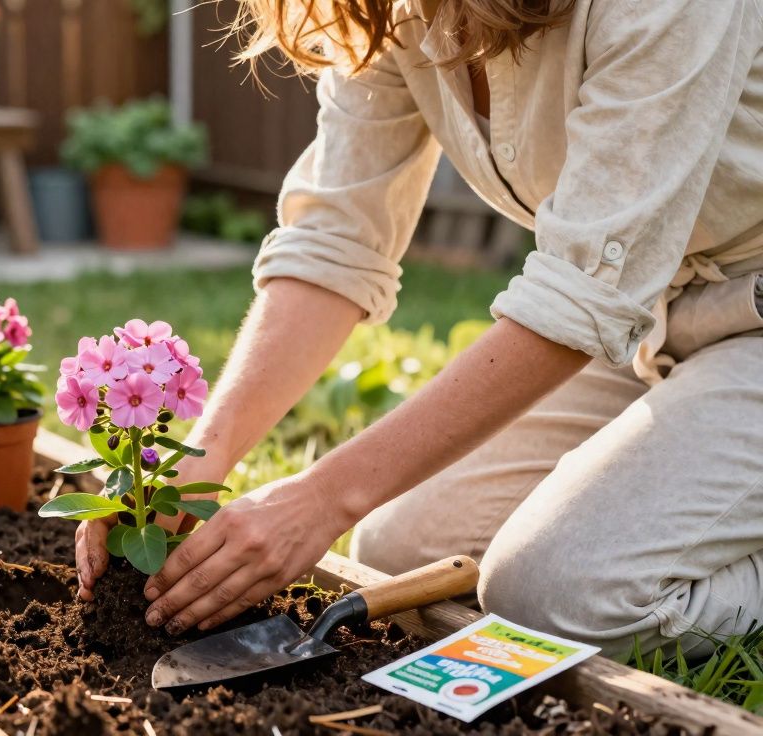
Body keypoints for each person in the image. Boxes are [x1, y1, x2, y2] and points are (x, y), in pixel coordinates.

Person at [73, 0, 763, 658]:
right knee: (400, 553)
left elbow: (586, 290)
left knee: (553, 599)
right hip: (644, 315)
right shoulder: (394, 13)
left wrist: (321, 498)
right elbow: (338, 241)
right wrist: (198, 458)